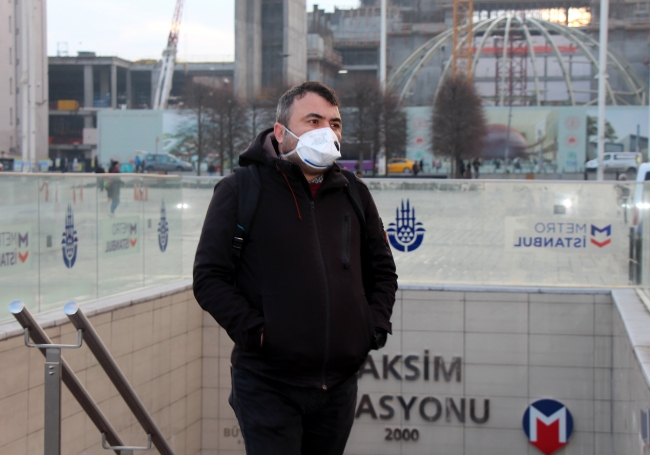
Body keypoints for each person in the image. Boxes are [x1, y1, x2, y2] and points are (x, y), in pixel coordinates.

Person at [193, 82, 398, 455]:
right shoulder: (240, 190)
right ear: (280, 131)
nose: (327, 133)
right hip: (267, 383)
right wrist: (259, 334)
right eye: (313, 120)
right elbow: (209, 278)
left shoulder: (354, 192)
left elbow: (383, 271)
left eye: (334, 124)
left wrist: (372, 327)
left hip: (338, 385)